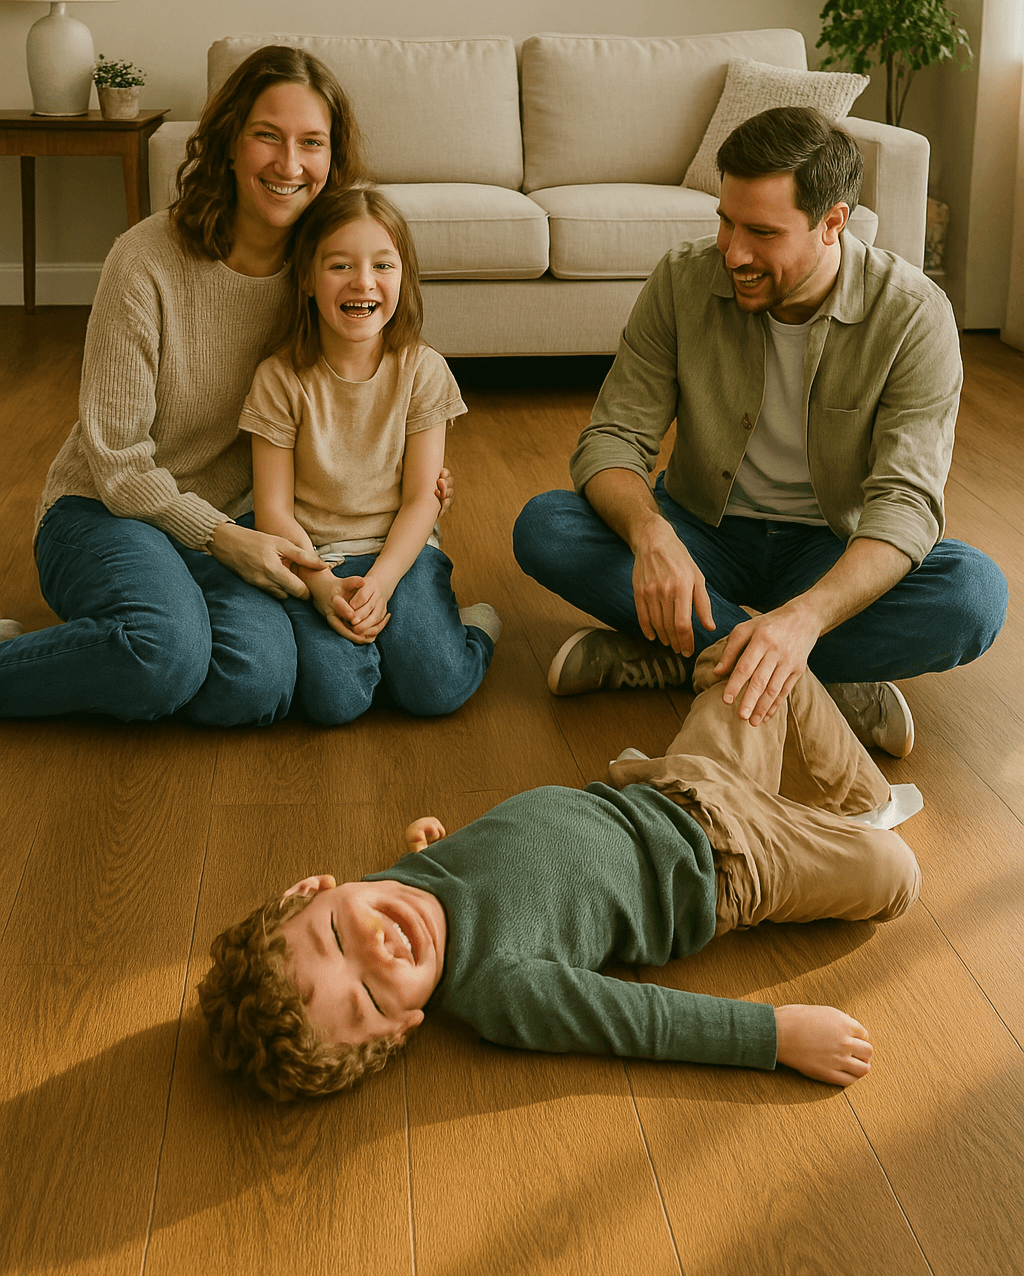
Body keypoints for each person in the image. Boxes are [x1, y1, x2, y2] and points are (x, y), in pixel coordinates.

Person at [197, 636, 923, 1101]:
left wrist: (426, 844)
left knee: (765, 653)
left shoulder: (399, 884)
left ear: (314, 888)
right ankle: (857, 822)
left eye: (335, 937)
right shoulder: (501, 991)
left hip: (672, 781)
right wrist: (775, 1038)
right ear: (403, 1028)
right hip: (728, 864)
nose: (378, 953)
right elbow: (640, 1022)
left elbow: (460, 875)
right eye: (370, 1000)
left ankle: (860, 798)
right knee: (898, 874)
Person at [513, 106, 1008, 757]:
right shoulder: (683, 280)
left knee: (974, 596)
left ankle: (688, 655)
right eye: (725, 221)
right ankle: (811, 676)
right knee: (546, 526)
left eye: (763, 232)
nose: (733, 251)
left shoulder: (913, 316)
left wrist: (807, 616)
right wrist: (652, 535)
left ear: (833, 222)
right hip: (703, 534)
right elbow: (613, 439)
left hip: (832, 548)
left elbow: (905, 506)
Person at [0, 45, 447, 727]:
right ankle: (107, 648)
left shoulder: (325, 271)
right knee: (166, 658)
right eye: (268, 135)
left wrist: (417, 474)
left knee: (258, 687)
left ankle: (125, 643)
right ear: (230, 142)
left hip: (241, 524)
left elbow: (370, 394)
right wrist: (219, 538)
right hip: (105, 513)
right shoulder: (146, 260)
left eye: (312, 143)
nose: (289, 164)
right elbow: (117, 464)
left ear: (333, 159)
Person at [239, 185, 499, 725]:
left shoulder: (423, 371)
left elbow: (422, 500)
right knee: (336, 702)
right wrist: (322, 587)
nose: (363, 281)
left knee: (437, 689)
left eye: (383, 264)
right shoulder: (278, 379)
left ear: (404, 278)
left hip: (401, 554)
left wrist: (380, 583)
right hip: (316, 558)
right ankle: (388, 649)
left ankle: (469, 630)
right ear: (308, 279)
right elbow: (273, 513)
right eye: (340, 265)